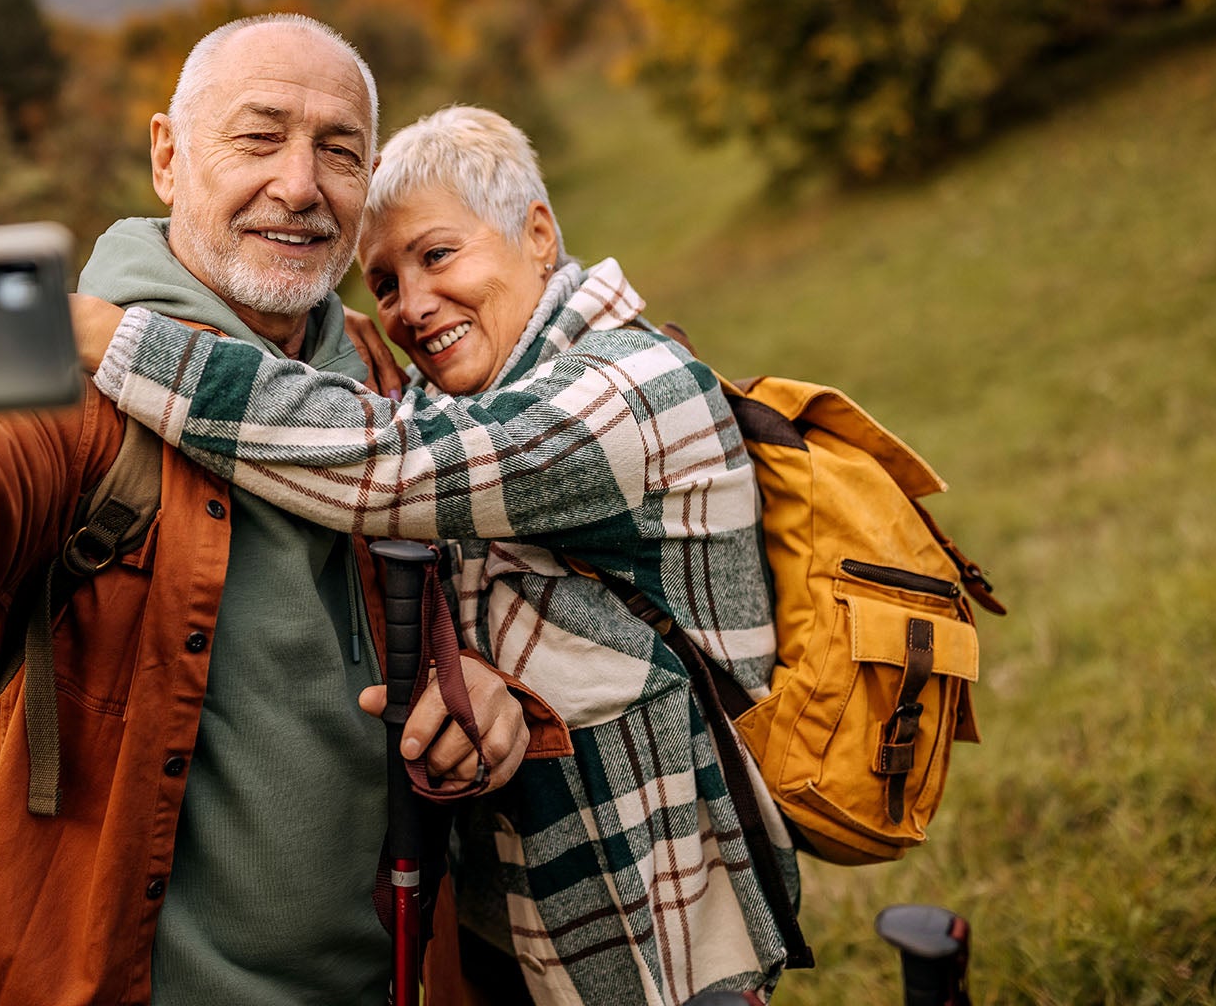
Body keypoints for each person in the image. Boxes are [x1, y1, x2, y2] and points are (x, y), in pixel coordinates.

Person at [0, 17, 562, 1006]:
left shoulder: (389, 377)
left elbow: (492, 572)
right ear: (168, 157)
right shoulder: (75, 396)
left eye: (338, 150)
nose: (301, 184)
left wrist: (485, 690)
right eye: (259, 137)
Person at [70, 105, 804, 1003]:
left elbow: (396, 465)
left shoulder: (635, 390)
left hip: (657, 934)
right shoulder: (484, 392)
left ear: (538, 233)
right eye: (383, 282)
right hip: (514, 922)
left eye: (439, 256)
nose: (413, 306)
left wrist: (119, 340)